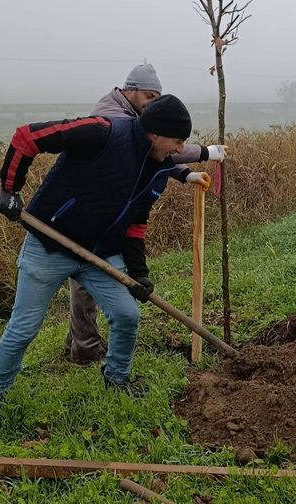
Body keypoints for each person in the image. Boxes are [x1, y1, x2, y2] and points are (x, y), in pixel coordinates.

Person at [0, 94, 195, 411]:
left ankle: (117, 378)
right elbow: (27, 137)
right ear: (155, 133)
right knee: (24, 328)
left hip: (100, 254)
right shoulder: (102, 132)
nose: (180, 150)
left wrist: (138, 272)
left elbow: (136, 222)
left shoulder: (158, 168)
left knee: (126, 315)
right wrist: (10, 190)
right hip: (50, 245)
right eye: (177, 141)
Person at [64, 63, 227, 365]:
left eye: (156, 97)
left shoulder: (135, 113)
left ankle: (78, 338)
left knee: (90, 274)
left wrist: (185, 174)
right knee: (87, 276)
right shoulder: (114, 116)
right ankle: (85, 349)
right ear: (131, 89)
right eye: (150, 96)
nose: (153, 104)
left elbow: (157, 154)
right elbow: (148, 148)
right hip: (90, 205)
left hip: (110, 207)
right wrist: (205, 152)